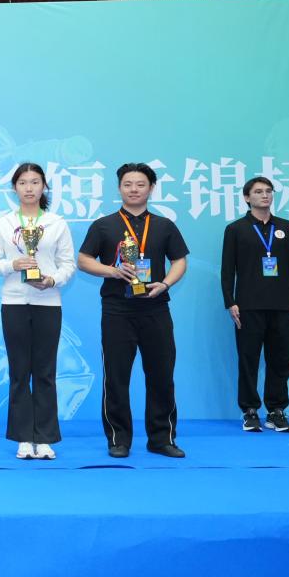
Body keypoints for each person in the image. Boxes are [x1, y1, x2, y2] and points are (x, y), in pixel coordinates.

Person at [77, 163, 189, 458]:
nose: (134, 189)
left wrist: (165, 283)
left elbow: (180, 261)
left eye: (140, 184)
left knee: (162, 375)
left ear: (151, 188)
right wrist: (112, 271)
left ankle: (161, 438)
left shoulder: (164, 225)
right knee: (116, 377)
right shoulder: (104, 225)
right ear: (119, 188)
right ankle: (118, 439)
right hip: (117, 310)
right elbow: (83, 260)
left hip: (156, 309)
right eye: (128, 184)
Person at [0, 163, 76, 460]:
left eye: (35, 182)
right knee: (19, 371)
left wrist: (52, 280)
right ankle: (24, 437)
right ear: (14, 188)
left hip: (48, 302)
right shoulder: (4, 224)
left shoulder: (56, 223)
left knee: (45, 372)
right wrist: (13, 265)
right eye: (23, 182)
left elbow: (68, 264)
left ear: (44, 186)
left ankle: (45, 438)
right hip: (14, 303)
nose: (29, 188)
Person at [221, 176, 289, 433]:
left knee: (281, 359)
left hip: (282, 305)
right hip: (248, 306)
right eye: (258, 192)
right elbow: (227, 270)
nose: (265, 195)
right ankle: (249, 410)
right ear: (247, 198)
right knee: (249, 359)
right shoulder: (236, 230)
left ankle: (276, 410)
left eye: (268, 191)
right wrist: (230, 302)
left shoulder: (287, 228)